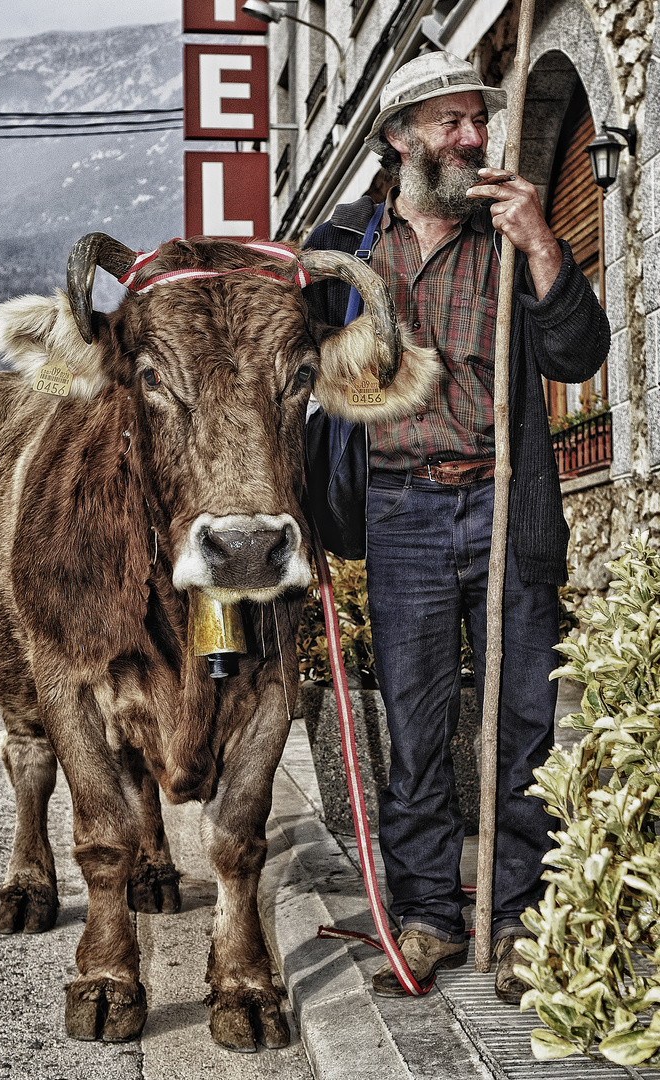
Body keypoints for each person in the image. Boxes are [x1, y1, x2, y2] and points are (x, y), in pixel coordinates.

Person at [303, 51, 610, 1003]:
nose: (475, 137)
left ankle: (517, 918)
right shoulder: (346, 247)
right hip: (399, 508)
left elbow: (578, 352)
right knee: (420, 725)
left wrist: (547, 244)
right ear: (398, 138)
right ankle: (431, 912)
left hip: (506, 503)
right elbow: (294, 379)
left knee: (522, 723)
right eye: (451, 122)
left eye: (479, 118)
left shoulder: (510, 230)